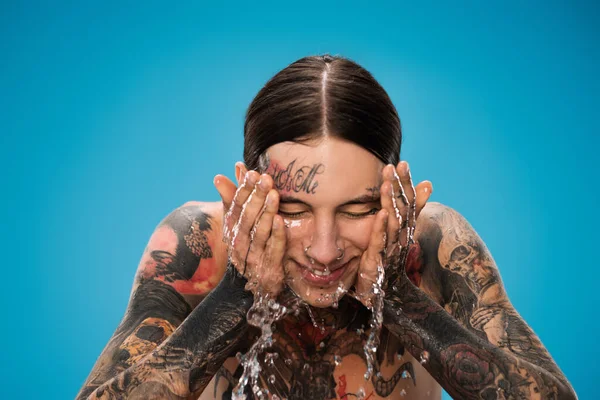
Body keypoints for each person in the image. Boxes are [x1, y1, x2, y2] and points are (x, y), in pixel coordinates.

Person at [76, 55, 576, 400]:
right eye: (292, 210)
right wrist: (237, 293)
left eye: (357, 209)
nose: (324, 249)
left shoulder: (429, 244)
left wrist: (397, 297)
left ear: (393, 198)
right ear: (250, 195)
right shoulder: (202, 247)